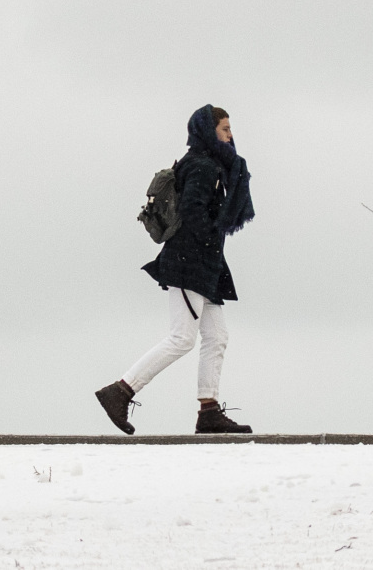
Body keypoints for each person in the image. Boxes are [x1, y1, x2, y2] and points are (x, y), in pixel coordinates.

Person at [95, 104, 256, 435]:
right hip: (190, 262)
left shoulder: (207, 164)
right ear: (208, 132)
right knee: (182, 337)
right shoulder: (202, 167)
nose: (230, 135)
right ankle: (121, 391)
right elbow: (193, 213)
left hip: (204, 263)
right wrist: (211, 239)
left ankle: (208, 411)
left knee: (217, 336)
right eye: (225, 129)